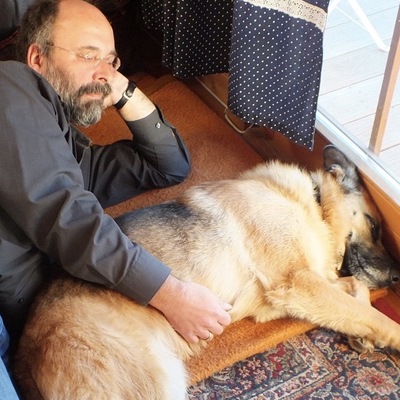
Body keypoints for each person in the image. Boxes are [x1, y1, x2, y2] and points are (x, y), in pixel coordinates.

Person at [0, 0, 231, 374]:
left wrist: (123, 91)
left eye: (111, 61)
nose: (104, 72)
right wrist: (173, 295)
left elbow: (167, 165)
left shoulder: (68, 155)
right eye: (88, 55)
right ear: (37, 59)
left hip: (32, 332)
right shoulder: (9, 85)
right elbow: (67, 218)